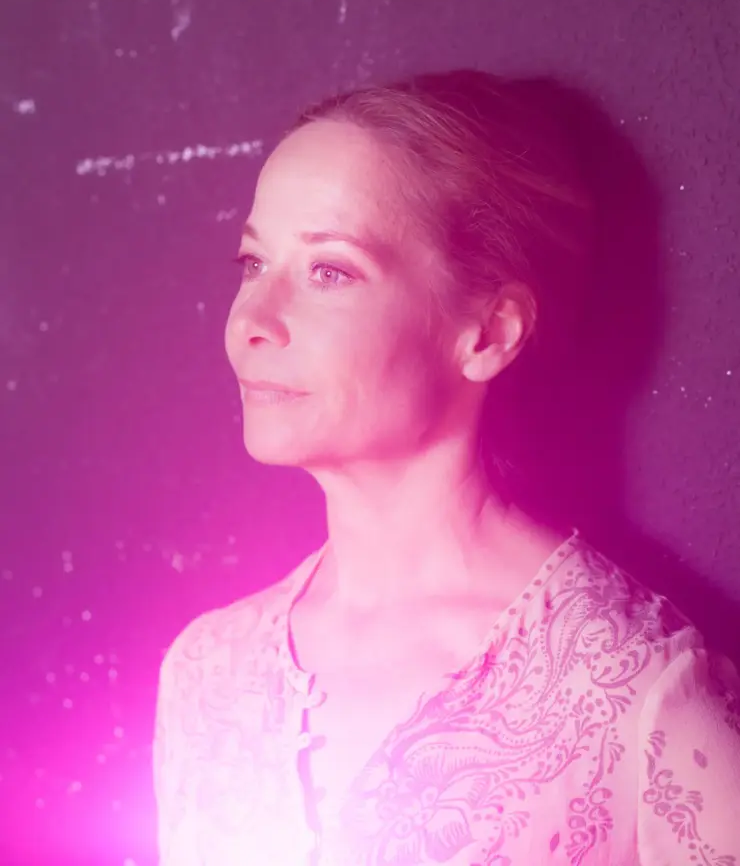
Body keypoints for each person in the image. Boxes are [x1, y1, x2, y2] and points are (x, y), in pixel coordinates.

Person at [153, 71, 740, 865]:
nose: (252, 321)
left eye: (331, 271)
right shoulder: (206, 675)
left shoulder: (635, 692)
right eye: (254, 264)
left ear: (488, 332)